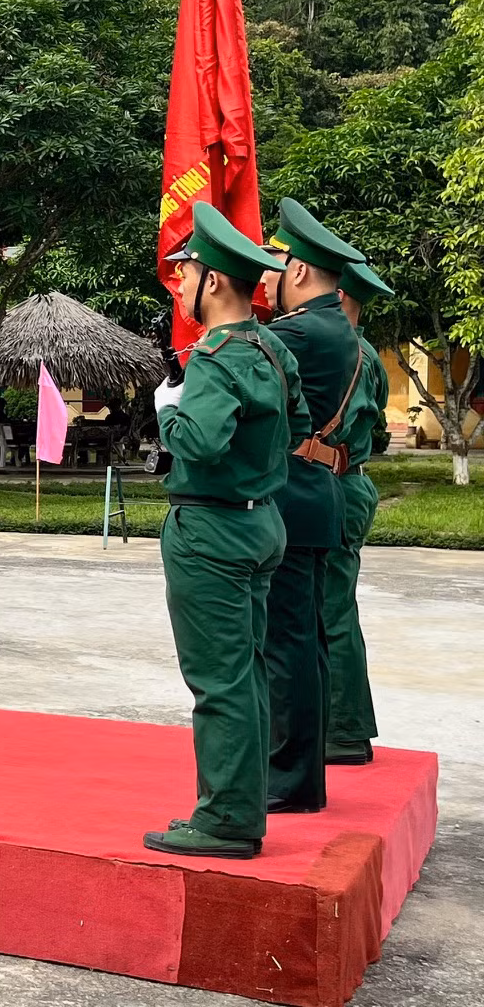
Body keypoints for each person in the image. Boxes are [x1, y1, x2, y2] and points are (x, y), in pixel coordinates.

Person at [142, 203, 295, 860]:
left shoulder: (215, 357)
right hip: (260, 521)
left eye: (187, 272)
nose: (178, 283)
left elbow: (199, 444)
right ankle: (242, 804)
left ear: (216, 281)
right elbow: (299, 421)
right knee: (247, 674)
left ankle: (228, 819)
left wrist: (168, 412)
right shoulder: (271, 347)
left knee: (220, 681)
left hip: (211, 529)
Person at [256, 200, 365, 817]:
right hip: (313, 495)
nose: (262, 278)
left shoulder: (298, 332)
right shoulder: (333, 326)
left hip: (292, 497)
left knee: (287, 645)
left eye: (270, 265)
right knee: (305, 642)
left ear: (296, 270)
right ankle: (302, 774)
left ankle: (290, 778)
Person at [324, 259, 394, 767]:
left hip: (338, 484)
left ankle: (344, 731)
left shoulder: (346, 353)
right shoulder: (364, 353)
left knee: (332, 610)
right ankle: (343, 727)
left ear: (338, 295)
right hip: (350, 482)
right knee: (335, 607)